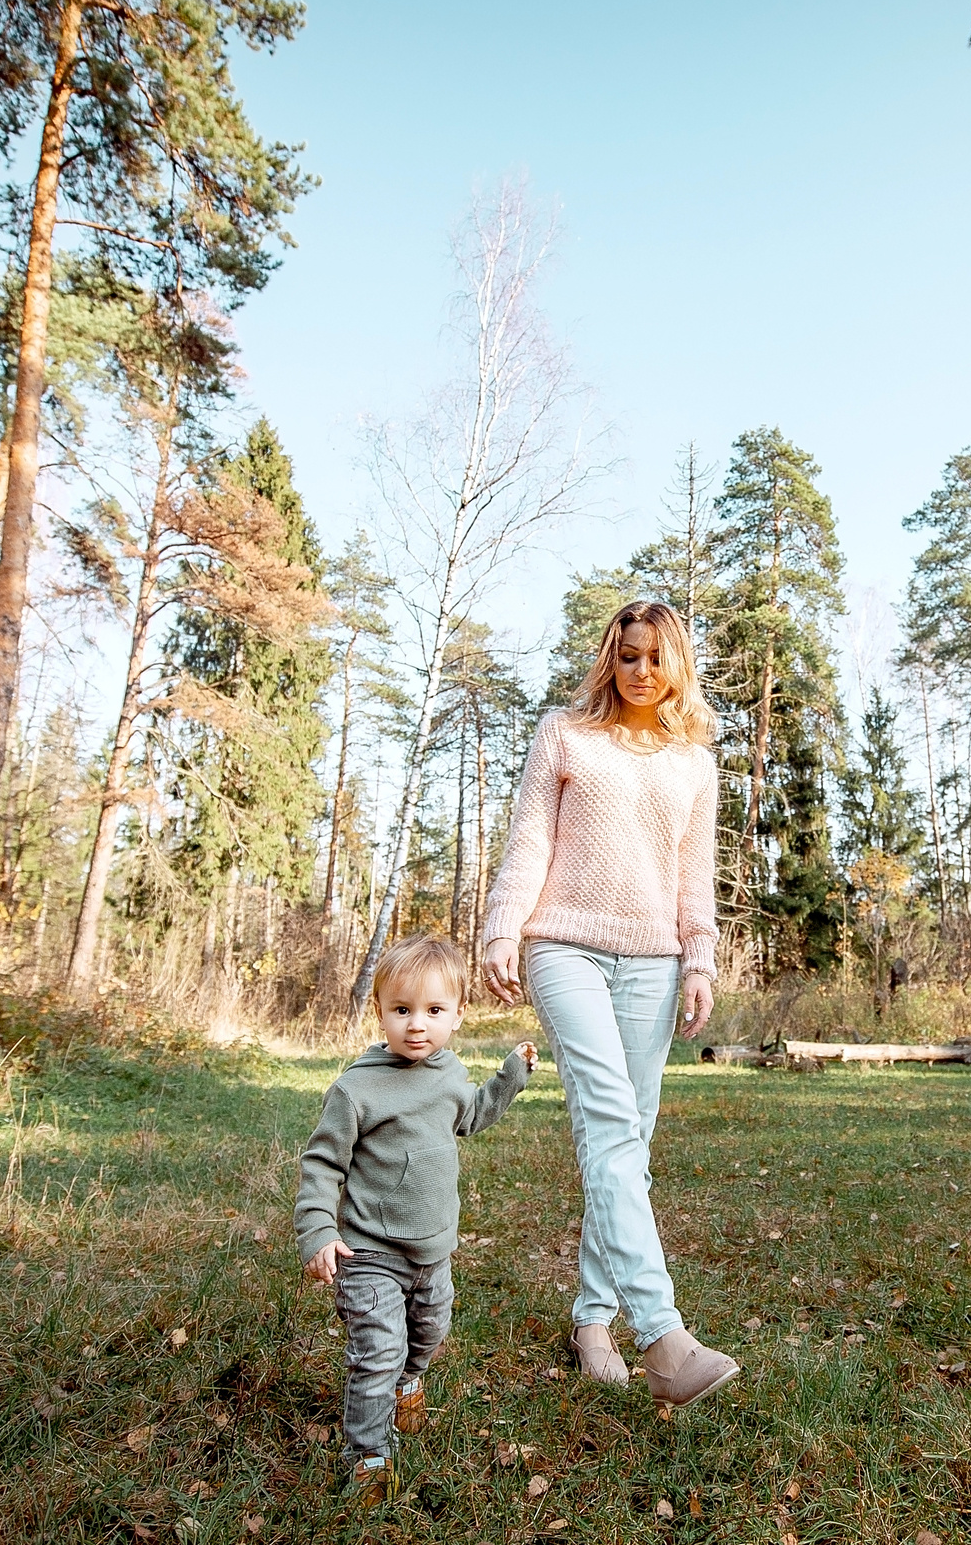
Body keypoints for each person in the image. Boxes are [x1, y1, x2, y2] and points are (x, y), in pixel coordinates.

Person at [480, 598, 741, 1407]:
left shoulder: (695, 764)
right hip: (565, 947)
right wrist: (502, 927)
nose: (639, 670)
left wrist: (699, 961)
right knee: (605, 1119)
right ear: (609, 658)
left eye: (654, 657)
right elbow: (530, 839)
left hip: (655, 963)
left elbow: (693, 880)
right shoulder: (565, 733)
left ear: (676, 665)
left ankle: (593, 1321)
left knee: (626, 1142)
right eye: (626, 655)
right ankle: (664, 1338)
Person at [294, 934, 533, 1499]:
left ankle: (408, 1384)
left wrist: (509, 1079)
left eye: (433, 1010)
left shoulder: (449, 1075)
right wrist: (318, 1230)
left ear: (457, 1016)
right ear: (380, 1011)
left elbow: (471, 1116)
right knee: (378, 1350)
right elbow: (322, 1162)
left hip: (433, 1251)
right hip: (369, 1251)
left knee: (429, 1333)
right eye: (402, 1010)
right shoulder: (357, 1089)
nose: (417, 1025)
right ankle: (369, 1456)